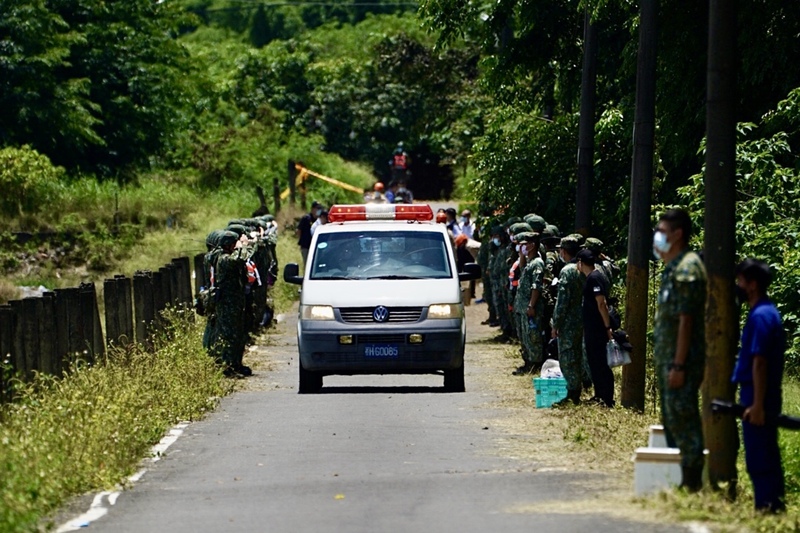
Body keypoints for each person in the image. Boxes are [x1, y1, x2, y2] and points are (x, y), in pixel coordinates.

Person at [653, 208, 706, 492]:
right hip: (669, 359)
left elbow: (687, 321)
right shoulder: (673, 267)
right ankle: (682, 477)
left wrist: (678, 364)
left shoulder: (687, 269)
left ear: (678, 234)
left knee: (684, 416)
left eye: (662, 231)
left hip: (681, 361)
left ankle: (693, 479)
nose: (657, 236)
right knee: (672, 417)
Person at [732, 258, 786, 512]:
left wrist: (757, 404)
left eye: (740, 281)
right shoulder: (763, 312)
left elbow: (760, 362)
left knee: (760, 455)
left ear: (752, 285)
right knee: (763, 452)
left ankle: (768, 508)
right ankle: (771, 505)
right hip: (757, 392)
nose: (738, 286)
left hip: (758, 394)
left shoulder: (762, 315)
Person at [576, 248, 615, 407]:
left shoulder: (594, 278)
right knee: (594, 362)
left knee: (600, 363)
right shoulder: (591, 277)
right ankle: (599, 394)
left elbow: (601, 304)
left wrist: (607, 327)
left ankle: (606, 398)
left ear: (581, 263)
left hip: (598, 328)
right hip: (592, 327)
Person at [551, 235, 585, 405]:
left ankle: (572, 392)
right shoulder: (583, 267)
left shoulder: (567, 271)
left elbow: (562, 301)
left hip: (569, 321)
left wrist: (555, 323)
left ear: (564, 251)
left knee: (567, 356)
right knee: (578, 355)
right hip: (583, 318)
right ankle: (578, 387)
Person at [513, 232, 545, 375]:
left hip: (530, 307)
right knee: (525, 336)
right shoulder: (529, 262)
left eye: (524, 244)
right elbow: (521, 268)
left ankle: (535, 364)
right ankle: (527, 363)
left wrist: (531, 305)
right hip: (522, 307)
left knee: (533, 337)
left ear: (532, 245)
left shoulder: (537, 263)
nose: (521, 247)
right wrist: (521, 255)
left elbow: (536, 286)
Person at [296, 201, 321, 268]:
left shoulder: (319, 220)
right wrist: (301, 241)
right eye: (317, 208)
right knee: (307, 264)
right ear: (312, 209)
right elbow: (299, 230)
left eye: (320, 208)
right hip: (306, 246)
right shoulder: (306, 218)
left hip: (316, 246)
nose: (318, 210)